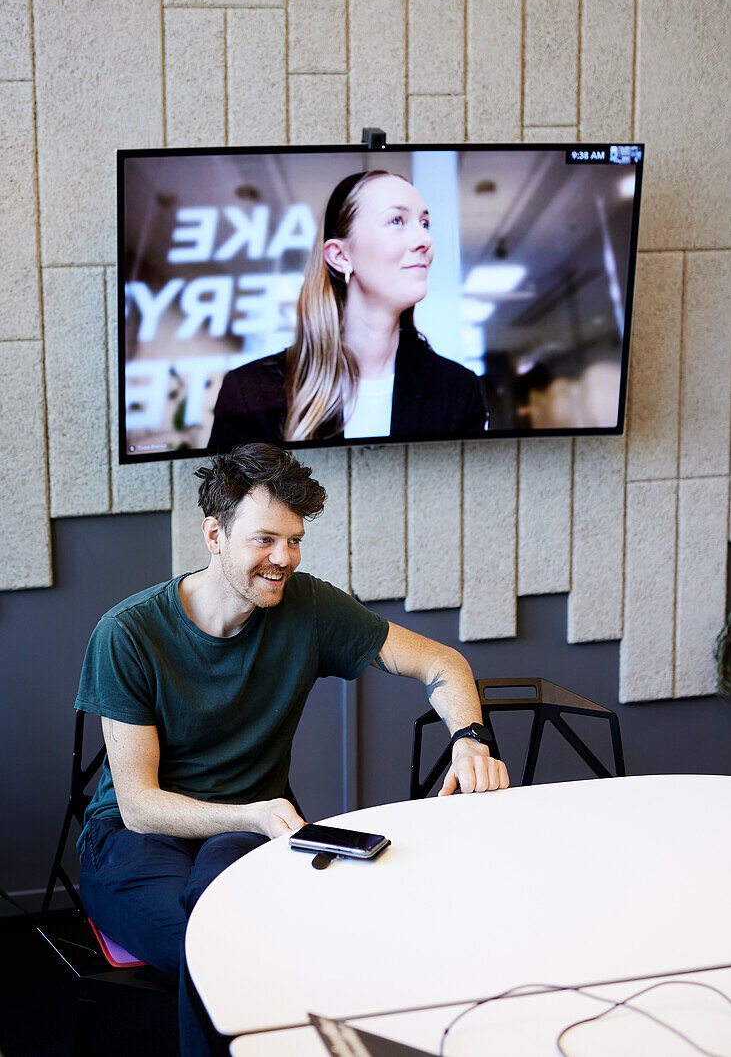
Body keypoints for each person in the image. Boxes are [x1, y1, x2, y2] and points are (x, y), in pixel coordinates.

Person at [75, 443, 508, 1055]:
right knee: (217, 945)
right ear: (214, 535)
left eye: (295, 540)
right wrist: (253, 813)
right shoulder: (129, 633)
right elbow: (141, 805)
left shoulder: (306, 605)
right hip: (133, 838)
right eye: (264, 540)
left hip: (244, 832)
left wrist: (470, 737)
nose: (284, 559)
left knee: (246, 937)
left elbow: (441, 663)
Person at [207, 170, 488, 450]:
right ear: (340, 256)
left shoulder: (459, 390)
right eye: (397, 220)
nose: (425, 241)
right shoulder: (248, 393)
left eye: (424, 223)